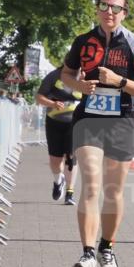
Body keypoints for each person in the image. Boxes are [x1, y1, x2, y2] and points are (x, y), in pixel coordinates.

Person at [62, 0, 134, 267]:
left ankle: (107, 249)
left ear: (124, 13)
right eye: (104, 6)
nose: (109, 12)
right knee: (91, 183)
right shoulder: (83, 42)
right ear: (97, 9)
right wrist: (79, 87)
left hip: (122, 120)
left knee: (113, 190)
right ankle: (87, 254)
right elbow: (66, 74)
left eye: (115, 8)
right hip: (89, 118)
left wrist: (120, 80)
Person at [35, 67, 81, 205]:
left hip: (75, 123)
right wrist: (52, 103)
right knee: (55, 160)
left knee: (71, 157)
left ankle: (69, 192)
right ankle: (58, 181)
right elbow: (38, 97)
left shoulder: (85, 77)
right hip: (54, 122)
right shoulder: (54, 76)